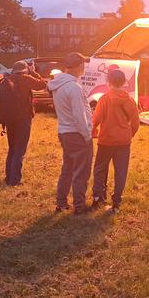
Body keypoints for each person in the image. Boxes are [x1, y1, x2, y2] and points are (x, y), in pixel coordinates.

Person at [48, 52, 93, 214]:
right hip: (77, 134)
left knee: (67, 168)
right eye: (83, 64)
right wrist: (87, 135)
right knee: (82, 171)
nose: (84, 67)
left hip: (64, 131)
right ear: (79, 66)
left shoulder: (58, 84)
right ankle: (80, 206)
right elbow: (79, 115)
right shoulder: (73, 87)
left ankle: (61, 202)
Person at [91, 69, 140, 213]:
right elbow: (136, 123)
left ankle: (97, 198)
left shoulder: (104, 99)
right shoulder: (130, 100)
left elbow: (96, 120)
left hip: (106, 140)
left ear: (109, 82)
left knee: (100, 168)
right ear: (124, 82)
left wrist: (93, 129)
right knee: (121, 171)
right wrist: (128, 134)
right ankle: (116, 202)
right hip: (123, 141)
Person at [4, 60, 48, 186]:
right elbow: (42, 84)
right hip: (23, 118)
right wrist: (33, 71)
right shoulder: (26, 78)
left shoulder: (9, 79)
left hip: (9, 118)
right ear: (24, 69)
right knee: (20, 149)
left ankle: (8, 177)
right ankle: (15, 180)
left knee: (12, 148)